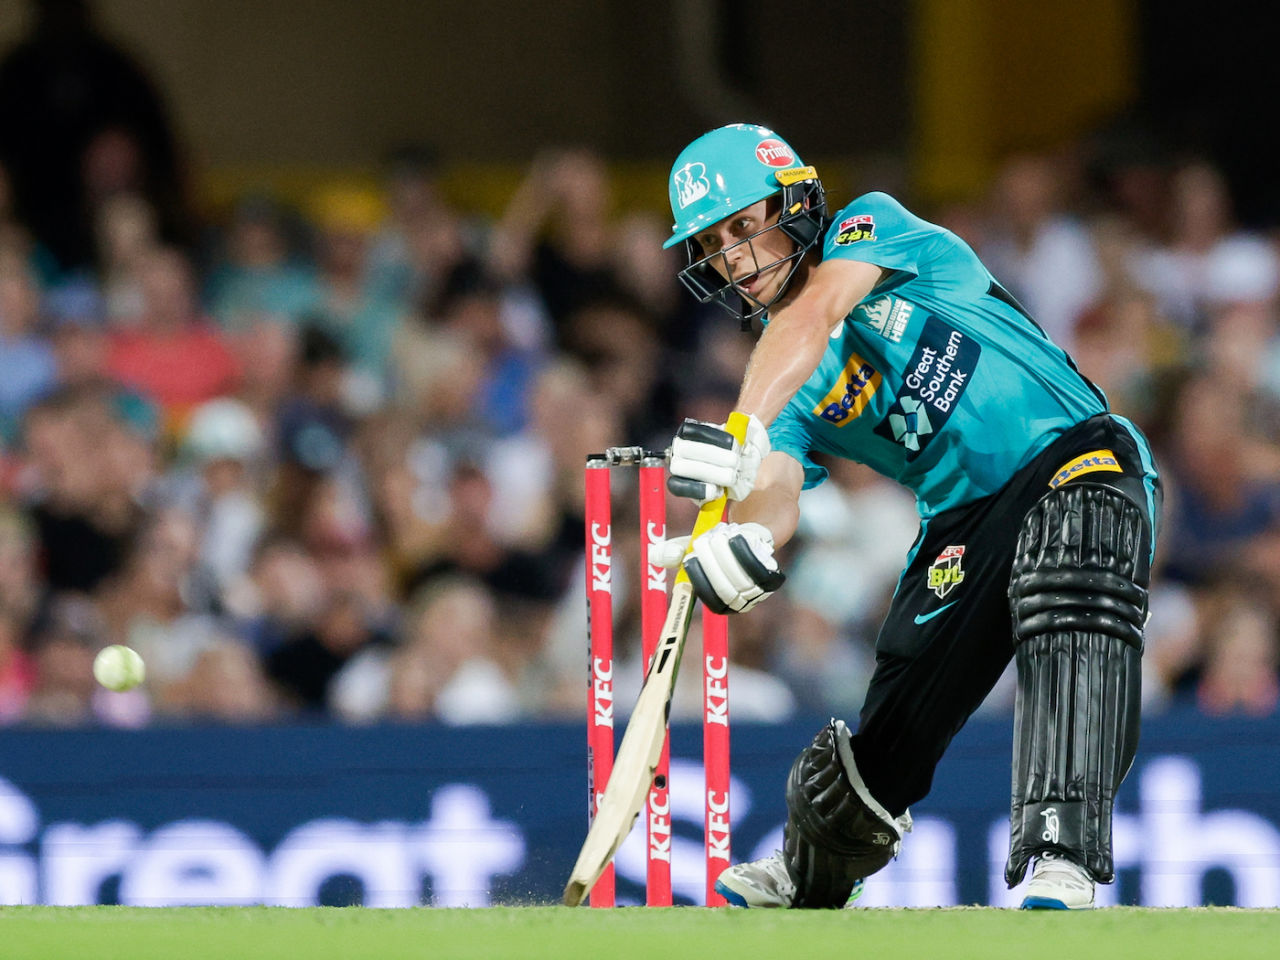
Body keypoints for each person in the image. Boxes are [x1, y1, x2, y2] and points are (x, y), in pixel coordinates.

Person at [650, 124, 1161, 910]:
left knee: (1072, 572)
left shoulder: (870, 228)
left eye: (747, 226)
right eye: (716, 244)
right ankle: (814, 872)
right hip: (960, 519)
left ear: (796, 205)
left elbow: (817, 312)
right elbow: (779, 484)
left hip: (1072, 453)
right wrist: (743, 537)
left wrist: (738, 428)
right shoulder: (784, 381)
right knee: (897, 719)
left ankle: (1062, 852)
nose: (737, 258)